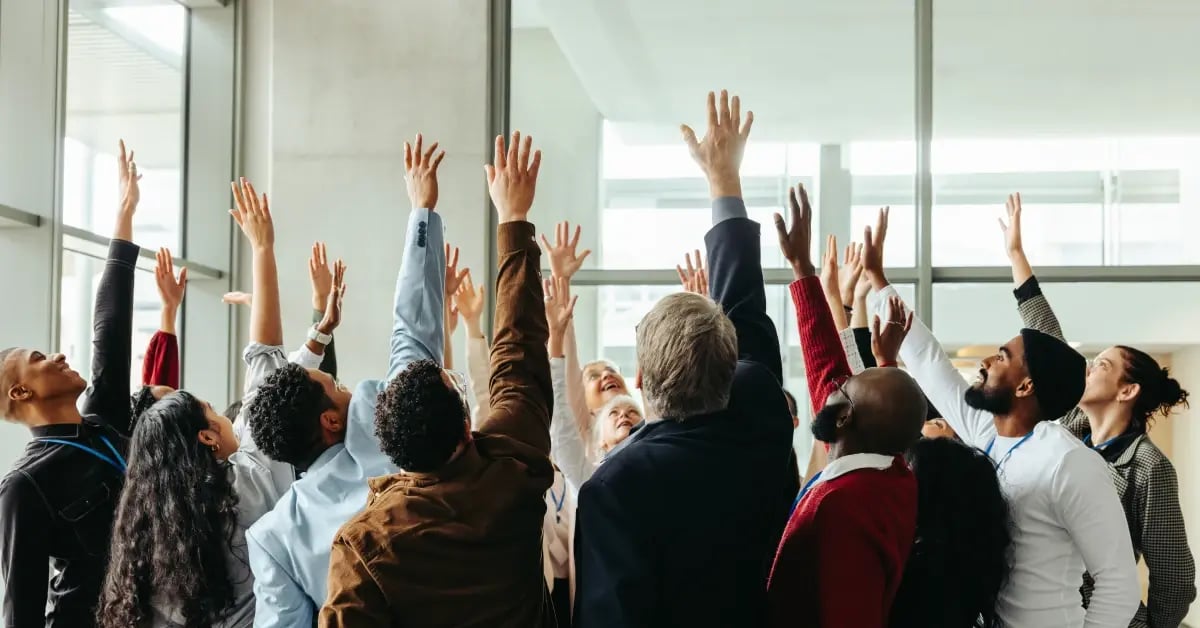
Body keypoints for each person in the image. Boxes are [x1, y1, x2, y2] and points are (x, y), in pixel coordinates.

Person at [572, 91, 796, 627]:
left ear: (642, 379)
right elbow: (745, 310)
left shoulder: (615, 488)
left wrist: (723, 182)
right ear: (731, 371)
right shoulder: (761, 411)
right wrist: (725, 182)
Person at [319, 131, 556, 627]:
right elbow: (519, 354)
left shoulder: (367, 544)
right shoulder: (511, 466)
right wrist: (513, 222)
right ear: (468, 427)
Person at [865, 203, 1141, 626]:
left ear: (1026, 386)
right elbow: (929, 361)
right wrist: (879, 282)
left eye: (1003, 357)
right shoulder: (985, 432)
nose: (986, 361)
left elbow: (1118, 582)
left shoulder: (1069, 463)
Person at [96, 176, 345, 628]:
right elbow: (266, 361)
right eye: (213, 410)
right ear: (209, 437)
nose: (228, 416)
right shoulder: (245, 490)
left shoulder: (145, 533)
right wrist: (263, 248)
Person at [244, 134, 452, 627]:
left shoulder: (274, 539)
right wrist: (421, 211)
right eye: (337, 386)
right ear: (333, 421)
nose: (349, 385)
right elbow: (414, 334)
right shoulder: (391, 434)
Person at [1002, 193, 1196, 627]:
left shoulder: (1148, 467)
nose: (1088, 368)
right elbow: (1047, 341)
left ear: (1127, 392)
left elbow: (1176, 577)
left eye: (1102, 366)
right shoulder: (1067, 427)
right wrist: (1017, 256)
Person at [766, 183, 925, 627]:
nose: (835, 384)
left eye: (846, 388)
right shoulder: (887, 468)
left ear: (844, 417)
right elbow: (827, 366)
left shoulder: (846, 509)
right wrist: (802, 269)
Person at [0, 142, 141, 627]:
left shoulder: (104, 423)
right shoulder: (24, 486)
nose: (58, 355)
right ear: (20, 393)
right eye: (38, 359)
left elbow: (112, 331)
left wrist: (124, 217)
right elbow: (20, 608)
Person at [459, 272, 577, 627]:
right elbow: (484, 398)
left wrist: (557, 337)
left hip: (567, 592)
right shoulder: (498, 457)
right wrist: (472, 329)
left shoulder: (564, 457)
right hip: (523, 592)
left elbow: (566, 410)